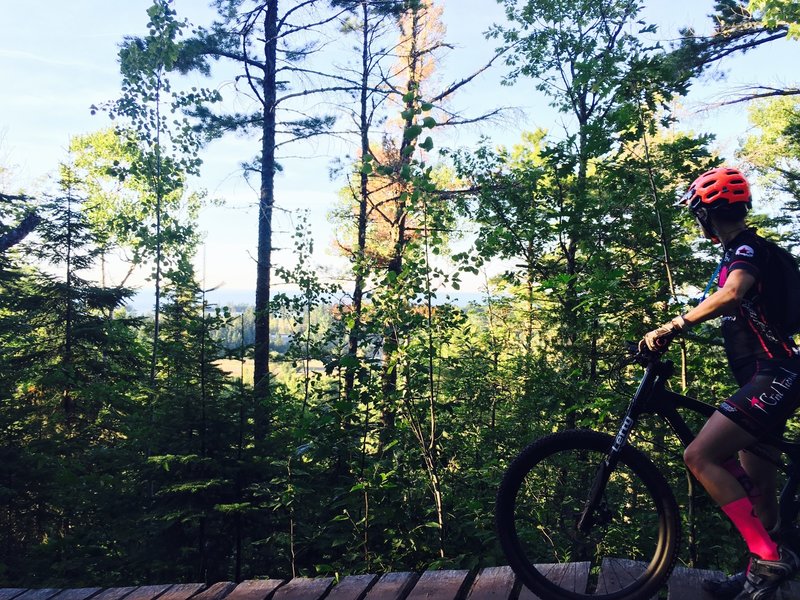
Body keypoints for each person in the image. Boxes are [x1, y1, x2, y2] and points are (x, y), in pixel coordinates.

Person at [640, 166, 800, 600]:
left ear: (705, 214)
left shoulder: (746, 248)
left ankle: (769, 558)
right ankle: (759, 574)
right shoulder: (740, 250)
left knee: (699, 455)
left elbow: (734, 292)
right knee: (762, 491)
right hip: (768, 377)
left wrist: (673, 325)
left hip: (776, 375)